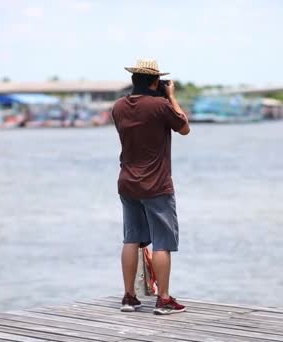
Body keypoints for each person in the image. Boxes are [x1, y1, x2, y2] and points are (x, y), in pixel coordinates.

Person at [111, 59, 190, 315]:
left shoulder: (119, 106)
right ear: (156, 81)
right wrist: (171, 96)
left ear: (134, 80)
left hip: (127, 181)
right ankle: (164, 299)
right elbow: (184, 127)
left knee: (131, 237)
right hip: (156, 184)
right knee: (162, 242)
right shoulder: (160, 106)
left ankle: (128, 297)